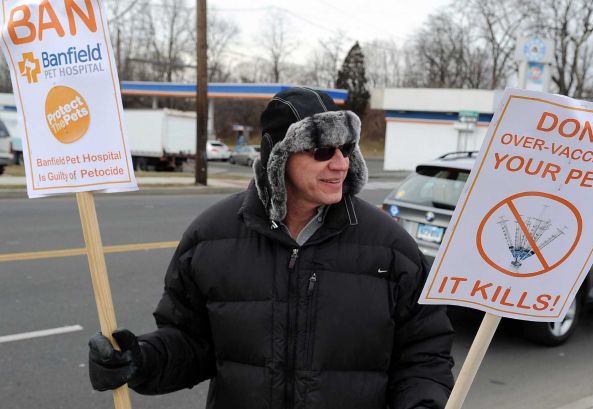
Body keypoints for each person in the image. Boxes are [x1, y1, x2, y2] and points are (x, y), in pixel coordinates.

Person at [88, 87, 455, 409]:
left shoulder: (390, 247)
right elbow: (190, 343)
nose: (340, 163)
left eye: (346, 148)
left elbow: (425, 354)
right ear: (278, 157)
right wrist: (140, 360)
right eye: (323, 150)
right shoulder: (210, 237)